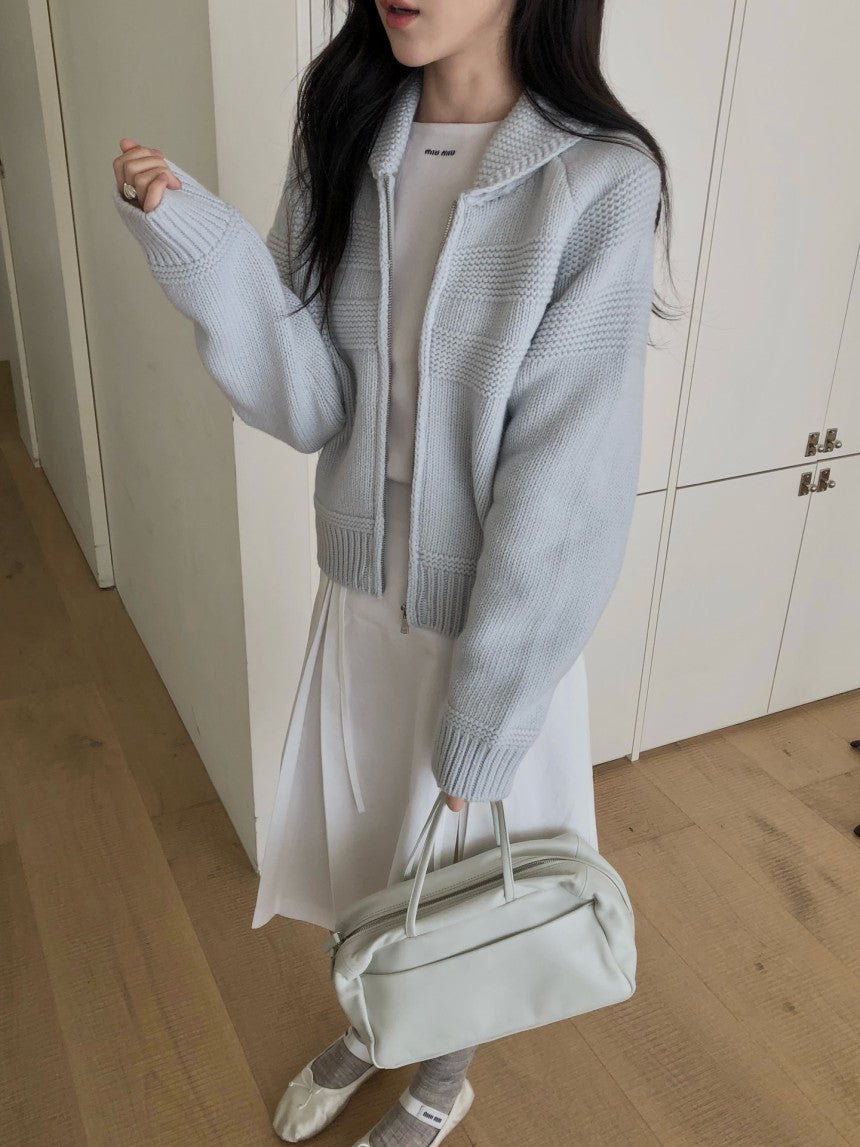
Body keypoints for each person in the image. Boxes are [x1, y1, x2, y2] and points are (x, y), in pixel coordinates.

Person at [112, 1, 674, 1143]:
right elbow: (314, 402)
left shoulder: (600, 180)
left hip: (494, 622)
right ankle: (380, 1025)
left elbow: (565, 488)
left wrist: (487, 713)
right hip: (362, 598)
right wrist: (201, 248)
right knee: (383, 859)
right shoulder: (351, 129)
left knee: (465, 882)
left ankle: (437, 1077)